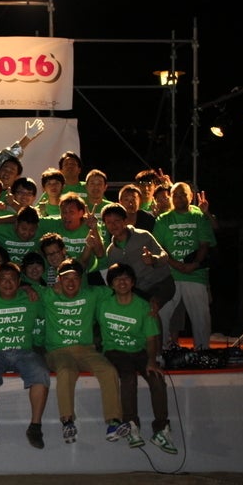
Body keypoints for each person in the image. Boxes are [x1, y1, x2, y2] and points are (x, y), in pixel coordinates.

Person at [32, 258, 129, 444]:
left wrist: (151, 300)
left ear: (81, 279)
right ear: (59, 279)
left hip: (85, 350)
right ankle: (67, 421)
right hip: (57, 351)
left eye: (75, 278)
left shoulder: (92, 293)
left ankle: (114, 422)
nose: (71, 283)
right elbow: (25, 287)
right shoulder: (48, 295)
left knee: (109, 371)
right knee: (66, 371)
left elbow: (120, 288)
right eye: (66, 278)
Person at [97, 263, 177, 454]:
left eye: (126, 278)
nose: (122, 282)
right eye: (117, 279)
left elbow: (151, 339)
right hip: (114, 350)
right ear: (111, 284)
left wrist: (151, 361)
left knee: (157, 379)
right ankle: (131, 425)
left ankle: (161, 430)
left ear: (133, 282)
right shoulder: (103, 304)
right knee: (128, 378)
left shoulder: (144, 307)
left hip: (139, 352)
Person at [0, 262, 49, 449]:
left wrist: (29, 288)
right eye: (3, 279)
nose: (7, 283)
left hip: (23, 351)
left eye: (12, 279)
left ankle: (35, 427)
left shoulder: (31, 298)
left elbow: (50, 302)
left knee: (41, 372)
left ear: (19, 281)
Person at [153, 182, 216, 351]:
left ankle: (202, 352)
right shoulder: (163, 219)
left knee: (201, 317)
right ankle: (162, 352)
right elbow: (159, 247)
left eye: (183, 194)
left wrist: (194, 264)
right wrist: (177, 265)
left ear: (191, 196)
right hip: (170, 275)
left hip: (196, 275)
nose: (179, 198)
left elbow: (205, 243)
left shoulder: (199, 216)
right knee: (161, 314)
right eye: (175, 195)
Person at [99, 203, 175, 310]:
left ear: (125, 221)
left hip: (161, 284)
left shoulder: (143, 235)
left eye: (117, 221)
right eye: (109, 222)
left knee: (151, 310)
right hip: (139, 291)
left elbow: (164, 256)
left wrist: (153, 259)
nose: (113, 225)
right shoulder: (111, 252)